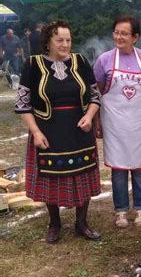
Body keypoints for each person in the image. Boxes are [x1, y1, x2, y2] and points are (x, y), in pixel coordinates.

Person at [14, 20, 102, 244]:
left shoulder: (80, 61)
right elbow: (23, 104)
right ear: (48, 41)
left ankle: (81, 223)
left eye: (68, 40)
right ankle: (54, 223)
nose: (65, 44)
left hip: (79, 128)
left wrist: (89, 116)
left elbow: (94, 96)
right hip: (48, 130)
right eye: (59, 40)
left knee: (82, 173)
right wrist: (35, 132)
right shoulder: (33, 65)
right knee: (51, 176)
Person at [93, 15, 141, 228]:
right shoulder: (104, 60)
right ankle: (120, 210)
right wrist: (96, 120)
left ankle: (140, 208)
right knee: (118, 169)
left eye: (124, 33)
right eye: (117, 32)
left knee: (139, 168)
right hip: (114, 122)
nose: (119, 37)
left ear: (135, 37)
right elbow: (97, 93)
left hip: (138, 122)